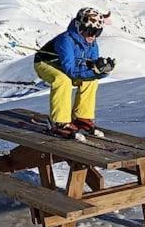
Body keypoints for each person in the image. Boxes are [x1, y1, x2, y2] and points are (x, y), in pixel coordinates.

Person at [33, 7, 116, 138]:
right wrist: (95, 70)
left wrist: (102, 70)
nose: (93, 35)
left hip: (64, 67)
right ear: (79, 27)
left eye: (97, 32)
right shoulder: (66, 40)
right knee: (62, 80)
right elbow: (71, 71)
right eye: (90, 30)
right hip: (44, 63)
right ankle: (59, 122)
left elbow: (91, 69)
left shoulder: (92, 44)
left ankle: (82, 117)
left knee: (90, 81)